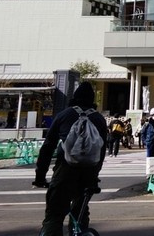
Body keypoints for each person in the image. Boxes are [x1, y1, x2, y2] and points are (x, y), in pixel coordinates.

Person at [33, 81, 107, 236]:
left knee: (54, 213)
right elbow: (101, 151)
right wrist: (94, 175)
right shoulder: (99, 119)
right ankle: (80, 230)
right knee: (80, 212)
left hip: (65, 171)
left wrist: (40, 175)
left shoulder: (64, 115)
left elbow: (48, 147)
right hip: (89, 173)